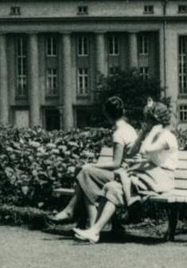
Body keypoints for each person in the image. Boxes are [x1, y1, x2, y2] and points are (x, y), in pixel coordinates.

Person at [73, 100, 178, 244]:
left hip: (161, 179)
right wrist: (143, 134)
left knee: (119, 182)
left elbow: (144, 151)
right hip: (150, 175)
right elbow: (133, 151)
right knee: (111, 187)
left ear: (155, 121)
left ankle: (98, 227)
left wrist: (150, 131)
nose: (144, 122)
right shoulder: (154, 135)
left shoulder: (167, 137)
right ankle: (94, 231)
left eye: (147, 119)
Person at [48, 96, 137, 230]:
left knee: (85, 172)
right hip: (129, 174)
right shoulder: (129, 128)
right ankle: (95, 224)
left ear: (107, 114)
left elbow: (116, 164)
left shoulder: (118, 134)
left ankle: (73, 212)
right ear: (122, 111)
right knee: (86, 176)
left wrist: (92, 165)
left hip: (124, 177)